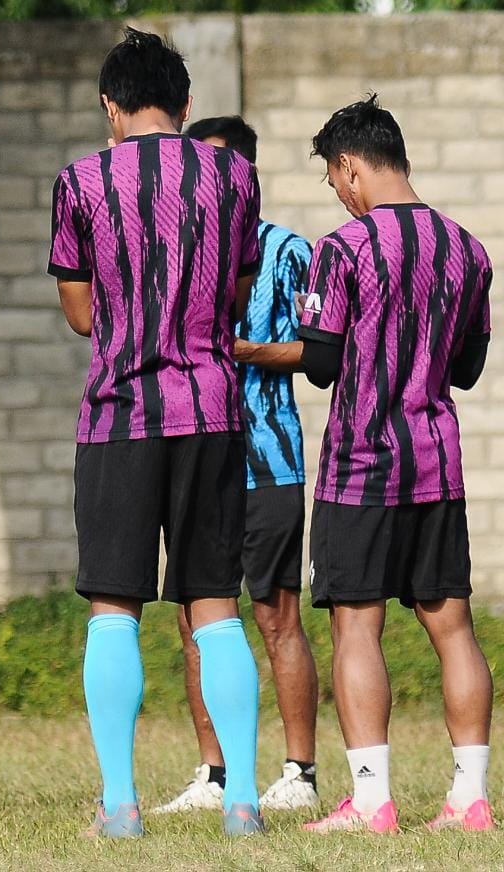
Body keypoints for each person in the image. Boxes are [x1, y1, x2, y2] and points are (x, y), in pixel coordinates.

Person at [240, 96, 494, 834]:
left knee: (357, 627)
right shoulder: (467, 248)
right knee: (453, 626)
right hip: (436, 463)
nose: (338, 195)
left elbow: (319, 363)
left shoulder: (342, 250)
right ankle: (470, 799)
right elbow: (470, 368)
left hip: (361, 465)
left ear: (350, 165)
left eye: (333, 179)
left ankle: (373, 800)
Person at [48, 29, 265, 838]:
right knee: (215, 606)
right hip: (211, 407)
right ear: (186, 105)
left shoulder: (80, 181)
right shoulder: (233, 175)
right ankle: (242, 801)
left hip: (119, 415)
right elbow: (239, 288)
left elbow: (78, 313)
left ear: (110, 106)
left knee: (114, 608)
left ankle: (120, 805)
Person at [152, 116, 320, 815]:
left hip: (268, 461)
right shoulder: (176, 250)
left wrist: (238, 351)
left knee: (276, 616)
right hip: (192, 458)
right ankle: (214, 774)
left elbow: (316, 352)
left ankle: (300, 776)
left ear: (246, 176)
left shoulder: (288, 252)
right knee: (195, 620)